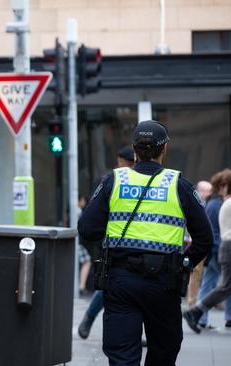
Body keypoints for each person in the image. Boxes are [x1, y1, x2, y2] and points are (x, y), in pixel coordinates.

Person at [78, 120, 213, 365]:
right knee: (163, 353)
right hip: (164, 283)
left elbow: (87, 229)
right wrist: (184, 264)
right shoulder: (179, 185)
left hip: (119, 280)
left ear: (134, 149)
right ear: (164, 150)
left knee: (122, 358)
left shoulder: (113, 181)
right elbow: (205, 239)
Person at [78, 145, 135, 339]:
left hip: (131, 241)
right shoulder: (110, 180)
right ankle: (89, 317)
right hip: (111, 242)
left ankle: (134, 330)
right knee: (108, 284)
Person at [184, 169, 231, 332]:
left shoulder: (217, 203)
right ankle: (197, 313)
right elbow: (211, 232)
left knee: (219, 284)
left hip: (218, 247)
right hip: (219, 247)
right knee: (218, 285)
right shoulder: (217, 204)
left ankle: (203, 315)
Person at [187, 180, 214, 307]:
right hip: (194, 242)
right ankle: (192, 301)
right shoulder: (199, 203)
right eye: (203, 190)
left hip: (199, 242)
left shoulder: (207, 204)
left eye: (208, 191)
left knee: (202, 274)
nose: (205, 194)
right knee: (196, 274)